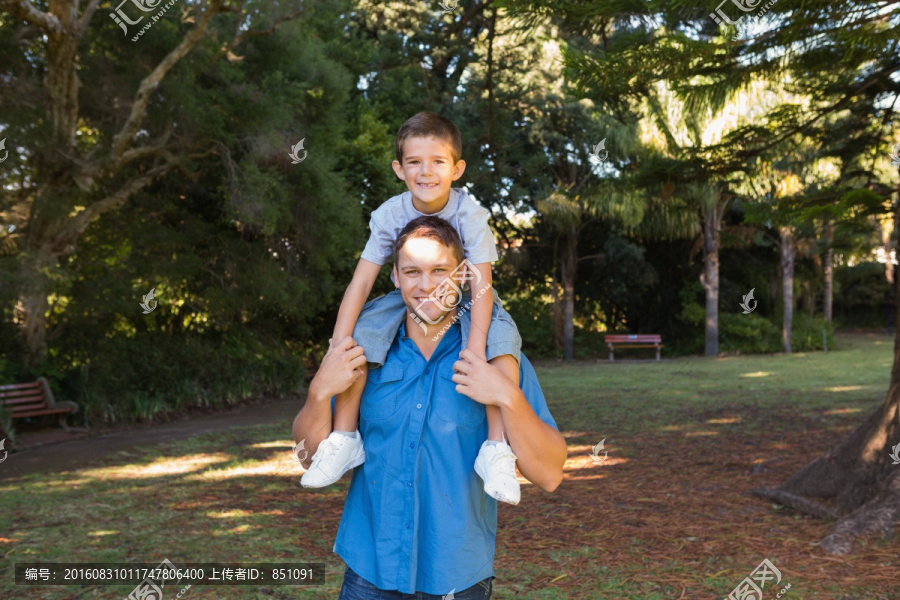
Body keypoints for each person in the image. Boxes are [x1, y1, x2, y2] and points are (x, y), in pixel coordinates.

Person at [291, 216, 567, 598]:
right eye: (412, 272)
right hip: (369, 572)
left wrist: (507, 395)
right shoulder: (362, 351)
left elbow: (550, 474)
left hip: (458, 577)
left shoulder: (496, 358)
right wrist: (319, 391)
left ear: (462, 276)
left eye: (440, 270)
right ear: (394, 277)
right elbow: (307, 458)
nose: (426, 285)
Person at [300, 111, 525, 505]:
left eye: (437, 161)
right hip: (406, 294)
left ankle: (496, 448)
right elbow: (362, 281)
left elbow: (483, 284)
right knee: (361, 337)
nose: (426, 171)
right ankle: (345, 437)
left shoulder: (470, 216)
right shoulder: (390, 214)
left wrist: (474, 347)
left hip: (469, 294)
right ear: (399, 169)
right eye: (414, 162)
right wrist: (338, 345)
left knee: (500, 344)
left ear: (456, 169)